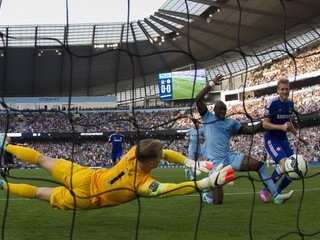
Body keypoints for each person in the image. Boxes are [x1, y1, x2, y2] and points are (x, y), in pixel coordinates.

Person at [0, 133, 234, 210]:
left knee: (42, 159)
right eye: (160, 158)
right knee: (41, 193)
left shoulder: (133, 151)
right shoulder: (143, 185)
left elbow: (167, 153)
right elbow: (170, 190)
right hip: (87, 198)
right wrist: (205, 184)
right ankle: (2, 185)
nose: (163, 157)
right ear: (152, 163)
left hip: (85, 175)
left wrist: (191, 164)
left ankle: (5, 144)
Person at [195, 74, 294, 204]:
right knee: (217, 201)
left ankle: (276, 196)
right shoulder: (207, 117)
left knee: (260, 166)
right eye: (220, 109)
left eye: (224, 109)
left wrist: (264, 120)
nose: (222, 111)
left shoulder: (231, 123)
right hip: (216, 164)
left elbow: (251, 131)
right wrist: (212, 83)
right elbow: (198, 99)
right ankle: (207, 196)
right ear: (214, 109)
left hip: (230, 157)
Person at [259, 78, 308, 203]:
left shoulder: (290, 104)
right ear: (278, 90)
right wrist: (281, 127)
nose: (285, 91)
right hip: (271, 139)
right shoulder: (273, 104)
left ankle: (278, 191)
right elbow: (265, 124)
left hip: (283, 139)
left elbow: (289, 122)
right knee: (284, 163)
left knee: (295, 168)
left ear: (289, 89)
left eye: (287, 89)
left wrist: (298, 136)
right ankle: (265, 190)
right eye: (282, 89)